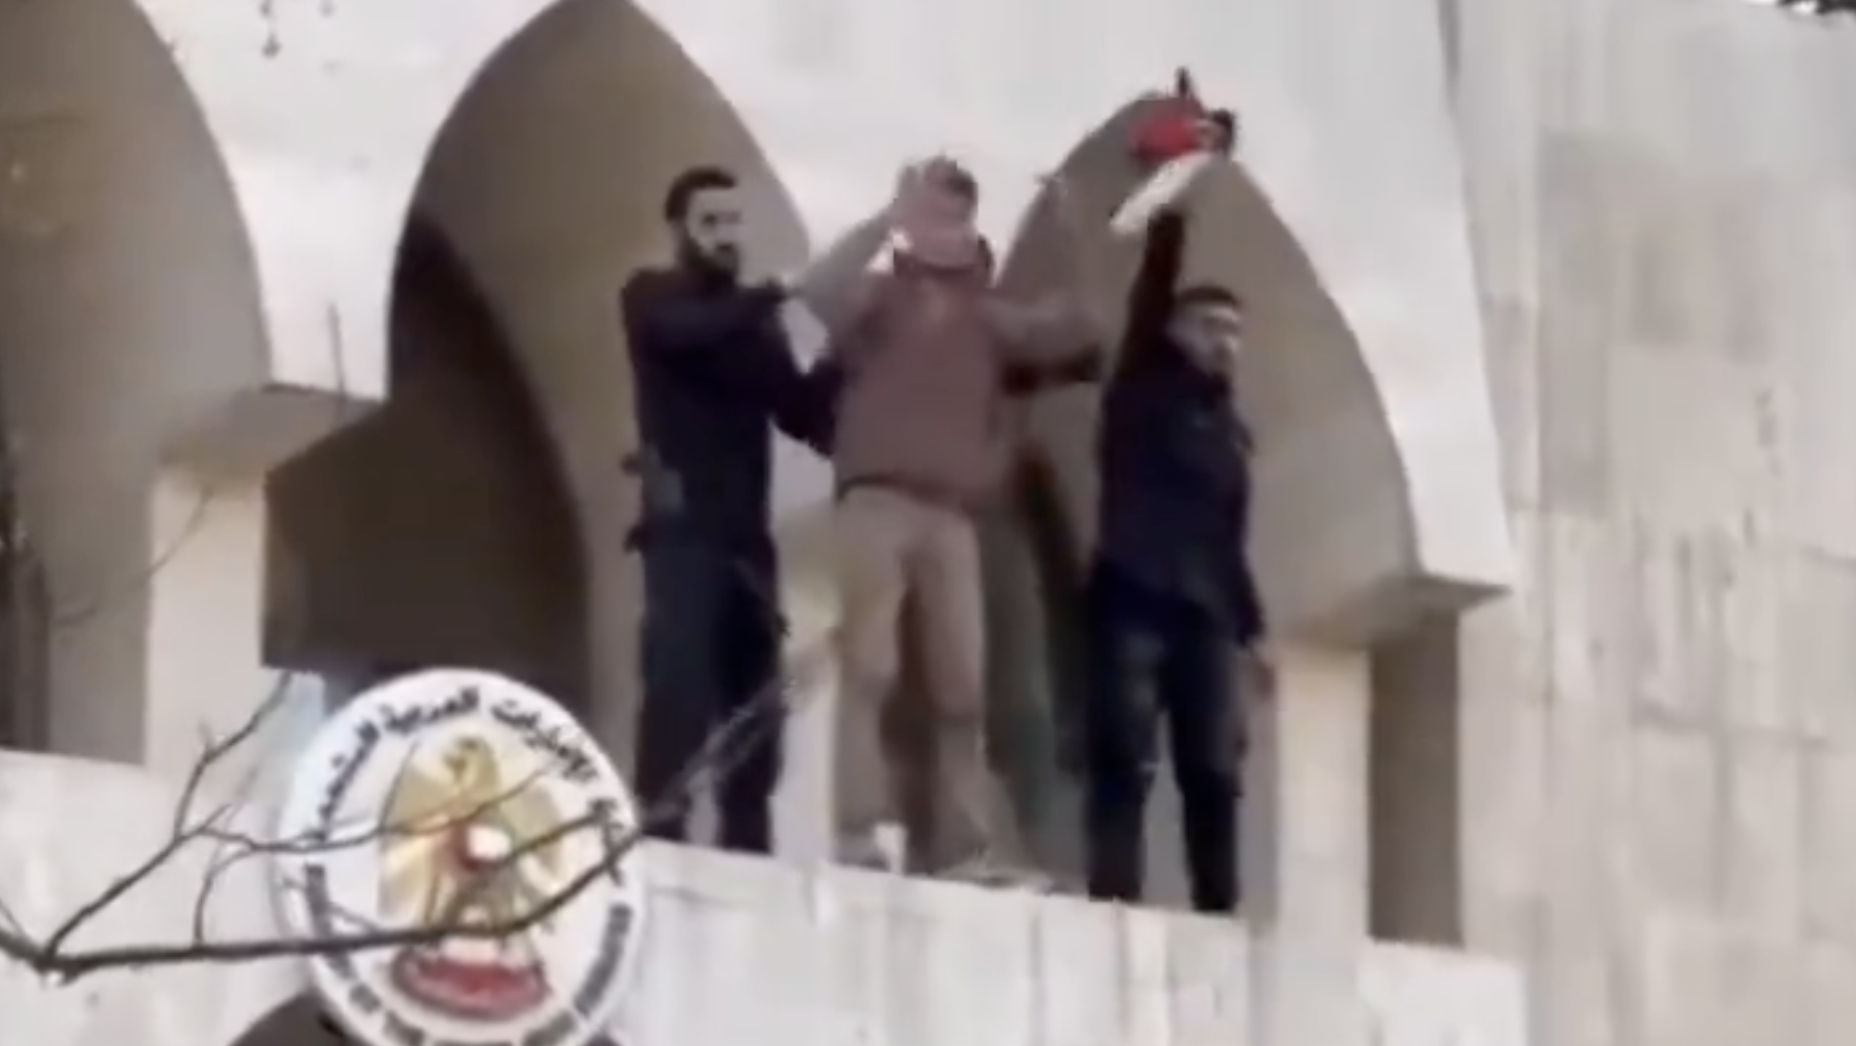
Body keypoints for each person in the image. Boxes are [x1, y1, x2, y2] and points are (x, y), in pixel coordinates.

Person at [790, 158, 1105, 883]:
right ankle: (857, 833)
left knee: (962, 686)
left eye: (958, 214)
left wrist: (1073, 233)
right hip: (876, 502)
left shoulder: (989, 316)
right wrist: (885, 218)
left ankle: (964, 847)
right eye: (934, 211)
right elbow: (819, 290)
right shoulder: (880, 297)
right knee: (870, 667)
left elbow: (1081, 327)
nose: (947, 228)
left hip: (953, 516)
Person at [620, 165, 835, 855]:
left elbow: (801, 414)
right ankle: (660, 829)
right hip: (684, 532)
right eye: (709, 222)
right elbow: (684, 333)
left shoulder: (751, 326)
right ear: (679, 231)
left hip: (746, 541)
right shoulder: (652, 296)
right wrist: (776, 294)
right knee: (678, 685)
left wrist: (842, 357)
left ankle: (748, 845)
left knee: (755, 705)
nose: (724, 235)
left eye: (733, 221)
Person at [1081, 129, 1267, 915]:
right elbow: (1151, 293)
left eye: (1234, 332)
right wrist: (1177, 198)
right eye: (1210, 327)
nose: (1224, 343)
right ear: (1177, 334)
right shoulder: (1144, 388)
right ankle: (1113, 896)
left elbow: (1231, 541)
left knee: (1214, 767)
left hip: (1206, 613)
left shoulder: (1230, 433)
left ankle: (1218, 907)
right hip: (1134, 593)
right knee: (1124, 753)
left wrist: (1252, 635)